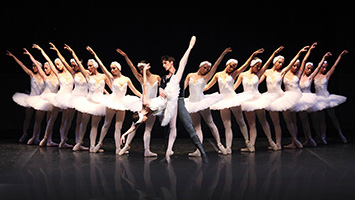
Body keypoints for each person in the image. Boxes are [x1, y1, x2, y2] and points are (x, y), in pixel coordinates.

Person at [204, 49, 265, 154]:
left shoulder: (234, 74)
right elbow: (209, 85)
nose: (232, 68)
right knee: (227, 124)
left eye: (234, 67)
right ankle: (228, 147)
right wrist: (198, 90)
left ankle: (247, 141)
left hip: (233, 99)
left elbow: (245, 65)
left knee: (240, 121)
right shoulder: (218, 75)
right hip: (223, 100)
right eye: (231, 66)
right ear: (227, 64)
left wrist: (253, 55)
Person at [86, 46, 142, 155]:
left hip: (122, 103)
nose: (112, 70)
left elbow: (135, 91)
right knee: (106, 124)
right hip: (112, 101)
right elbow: (101, 66)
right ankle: (99, 143)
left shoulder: (126, 79)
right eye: (111, 68)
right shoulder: (112, 78)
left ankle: (117, 148)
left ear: (119, 68)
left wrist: (144, 98)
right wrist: (94, 54)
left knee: (118, 127)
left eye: (114, 68)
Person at [184, 47, 232, 156]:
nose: (206, 70)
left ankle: (220, 144)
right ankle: (198, 150)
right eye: (205, 67)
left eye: (207, 69)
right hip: (192, 103)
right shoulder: (190, 75)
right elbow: (183, 87)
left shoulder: (206, 77)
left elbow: (215, 66)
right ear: (200, 66)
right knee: (197, 127)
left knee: (210, 123)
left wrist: (223, 54)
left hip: (202, 101)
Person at [234, 46, 284, 152]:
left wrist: (274, 54)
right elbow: (234, 87)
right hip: (247, 100)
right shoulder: (242, 75)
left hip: (258, 99)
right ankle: (251, 145)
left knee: (263, 121)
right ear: (252, 65)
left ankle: (271, 141)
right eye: (257, 65)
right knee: (252, 124)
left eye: (259, 66)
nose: (259, 67)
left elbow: (267, 64)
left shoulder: (259, 73)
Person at [260, 46, 309, 149]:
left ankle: (294, 139)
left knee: (288, 120)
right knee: (275, 122)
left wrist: (299, 53)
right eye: (279, 62)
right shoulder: (267, 72)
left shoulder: (282, 72)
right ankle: (278, 144)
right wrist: (274, 53)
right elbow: (258, 81)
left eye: (282, 63)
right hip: (270, 97)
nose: (281, 64)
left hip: (281, 97)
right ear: (275, 62)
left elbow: (292, 62)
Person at [116, 48, 161, 157]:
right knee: (135, 125)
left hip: (153, 105)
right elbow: (131, 67)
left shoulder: (157, 77)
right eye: (140, 69)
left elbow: (160, 91)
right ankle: (126, 145)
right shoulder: (141, 78)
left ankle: (147, 150)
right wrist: (125, 56)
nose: (141, 71)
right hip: (142, 104)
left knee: (148, 129)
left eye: (142, 68)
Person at [64, 44, 107, 152]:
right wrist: (72, 52)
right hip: (88, 101)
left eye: (90, 66)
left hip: (98, 103)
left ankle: (92, 145)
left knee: (95, 125)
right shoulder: (88, 76)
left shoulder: (103, 76)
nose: (88, 68)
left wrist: (94, 54)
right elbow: (78, 63)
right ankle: (79, 141)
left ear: (95, 66)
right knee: (84, 122)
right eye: (87, 66)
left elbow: (109, 86)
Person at [282, 43, 317, 149]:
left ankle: (307, 138)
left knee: (299, 120)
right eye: (294, 65)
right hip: (287, 97)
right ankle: (294, 140)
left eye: (297, 66)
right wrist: (299, 53)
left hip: (297, 98)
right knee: (289, 120)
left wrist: (309, 50)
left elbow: (305, 61)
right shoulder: (284, 73)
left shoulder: (298, 74)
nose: (296, 67)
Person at [24, 48, 59, 146]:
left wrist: (42, 51)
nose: (45, 69)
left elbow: (50, 61)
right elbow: (36, 65)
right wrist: (30, 55)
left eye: (47, 67)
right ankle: (35, 137)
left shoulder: (57, 77)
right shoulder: (44, 76)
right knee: (38, 119)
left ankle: (49, 140)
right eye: (44, 68)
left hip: (53, 101)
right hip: (44, 99)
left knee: (50, 121)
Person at [7, 51, 44, 143]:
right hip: (31, 98)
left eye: (35, 66)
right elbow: (22, 65)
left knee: (38, 119)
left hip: (39, 99)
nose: (33, 67)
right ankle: (24, 134)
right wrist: (13, 56)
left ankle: (36, 136)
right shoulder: (32, 75)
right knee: (28, 117)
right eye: (33, 66)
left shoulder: (44, 77)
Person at [313, 50, 348, 144]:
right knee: (321, 119)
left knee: (333, 117)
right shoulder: (315, 76)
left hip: (327, 98)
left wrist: (340, 56)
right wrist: (323, 58)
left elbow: (334, 66)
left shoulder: (327, 76)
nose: (324, 69)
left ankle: (341, 134)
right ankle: (322, 136)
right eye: (323, 67)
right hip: (318, 99)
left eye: (325, 68)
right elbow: (318, 66)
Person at [299, 52, 332, 146]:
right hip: (301, 100)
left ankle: (319, 137)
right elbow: (304, 60)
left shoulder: (310, 77)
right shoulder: (299, 76)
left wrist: (324, 57)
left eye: (310, 69)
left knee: (315, 119)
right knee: (304, 120)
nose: (309, 70)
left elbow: (318, 67)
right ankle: (308, 138)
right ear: (304, 68)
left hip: (310, 99)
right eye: (308, 68)